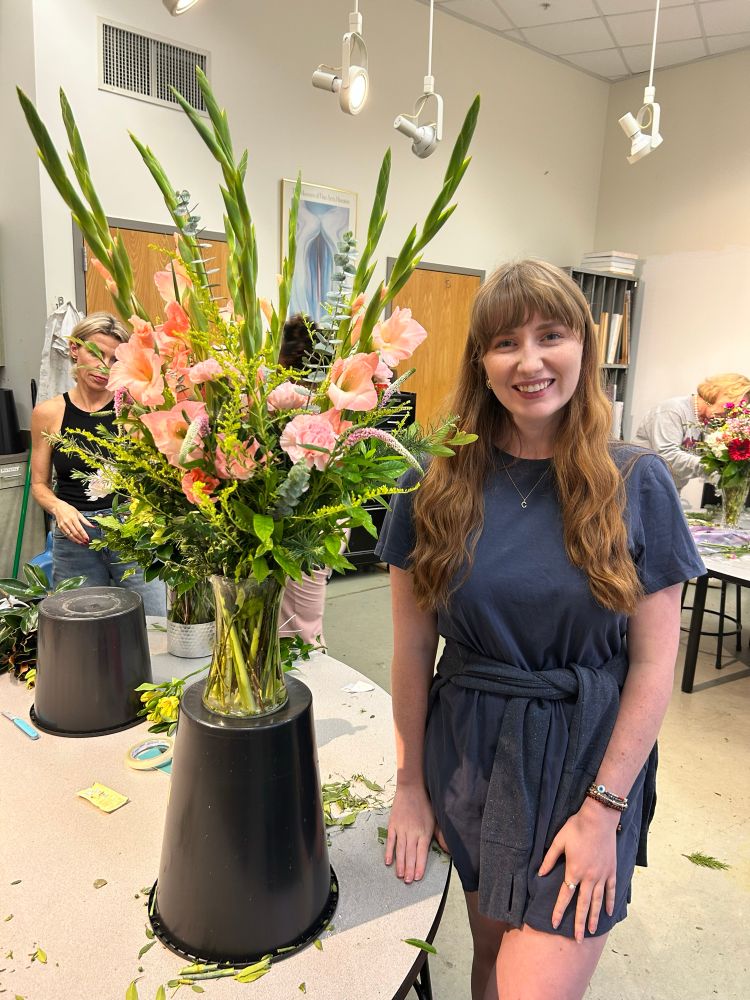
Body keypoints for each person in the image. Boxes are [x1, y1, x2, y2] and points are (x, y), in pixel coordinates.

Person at [374, 260, 705, 1000]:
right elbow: (410, 651)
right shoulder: (432, 482)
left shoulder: (635, 480)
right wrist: (409, 786)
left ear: (584, 348)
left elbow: (653, 668)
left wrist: (603, 812)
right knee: (489, 967)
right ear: (480, 363)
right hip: (469, 758)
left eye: (550, 335)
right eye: (504, 342)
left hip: (583, 768)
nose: (529, 361)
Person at [30, 312, 166, 615]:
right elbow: (38, 484)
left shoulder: (132, 411)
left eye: (114, 359)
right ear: (75, 349)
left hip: (131, 532)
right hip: (75, 534)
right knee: (82, 628)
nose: (104, 366)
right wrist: (60, 508)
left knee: (155, 622)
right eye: (96, 352)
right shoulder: (48, 413)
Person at [277, 314, 331, 647]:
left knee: (300, 629)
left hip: (308, 527)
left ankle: (307, 692)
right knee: (301, 621)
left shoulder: (288, 403)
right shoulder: (328, 405)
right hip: (320, 523)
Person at [633, 373, 750, 493]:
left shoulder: (709, 421)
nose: (731, 413)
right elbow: (667, 457)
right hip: (642, 489)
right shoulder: (672, 411)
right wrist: (715, 467)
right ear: (719, 392)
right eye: (732, 405)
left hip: (669, 491)